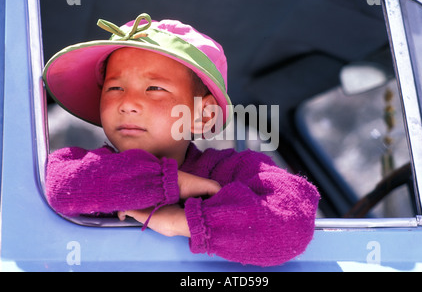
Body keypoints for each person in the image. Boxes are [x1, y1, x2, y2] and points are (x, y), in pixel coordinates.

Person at [43, 13, 320, 267]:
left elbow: (291, 223)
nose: (127, 103)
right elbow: (58, 187)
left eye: (154, 88)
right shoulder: (86, 168)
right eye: (115, 88)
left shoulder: (233, 172)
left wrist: (182, 222)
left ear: (202, 116)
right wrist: (171, 183)